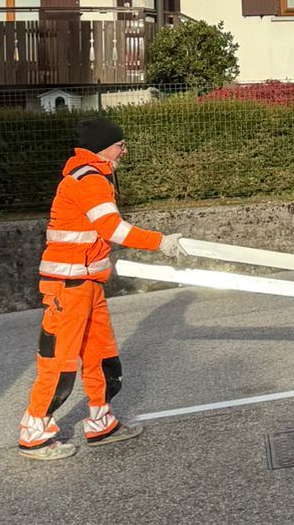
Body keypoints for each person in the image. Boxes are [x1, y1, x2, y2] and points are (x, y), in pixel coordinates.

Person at [17, 115, 185, 459]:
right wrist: (162, 243)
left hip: (88, 284)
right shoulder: (88, 180)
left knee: (101, 355)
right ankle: (34, 433)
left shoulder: (95, 176)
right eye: (120, 144)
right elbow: (113, 230)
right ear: (103, 147)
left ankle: (100, 422)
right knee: (60, 363)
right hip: (69, 286)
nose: (125, 150)